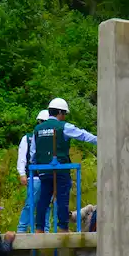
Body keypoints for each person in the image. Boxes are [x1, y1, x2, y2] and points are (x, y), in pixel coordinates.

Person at [31, 98, 97, 233]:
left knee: (43, 199)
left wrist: (37, 166)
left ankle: (39, 229)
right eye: (64, 113)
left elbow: (33, 152)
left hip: (43, 170)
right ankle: (62, 228)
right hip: (60, 169)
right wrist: (100, 140)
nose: (64, 116)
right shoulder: (64, 127)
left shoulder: (37, 129)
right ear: (60, 112)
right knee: (62, 198)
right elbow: (83, 135)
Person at [17, 109, 50, 233]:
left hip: (47, 176)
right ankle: (22, 229)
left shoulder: (51, 139)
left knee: (46, 205)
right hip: (34, 176)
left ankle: (44, 230)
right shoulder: (28, 138)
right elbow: (22, 157)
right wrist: (22, 173)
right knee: (30, 204)